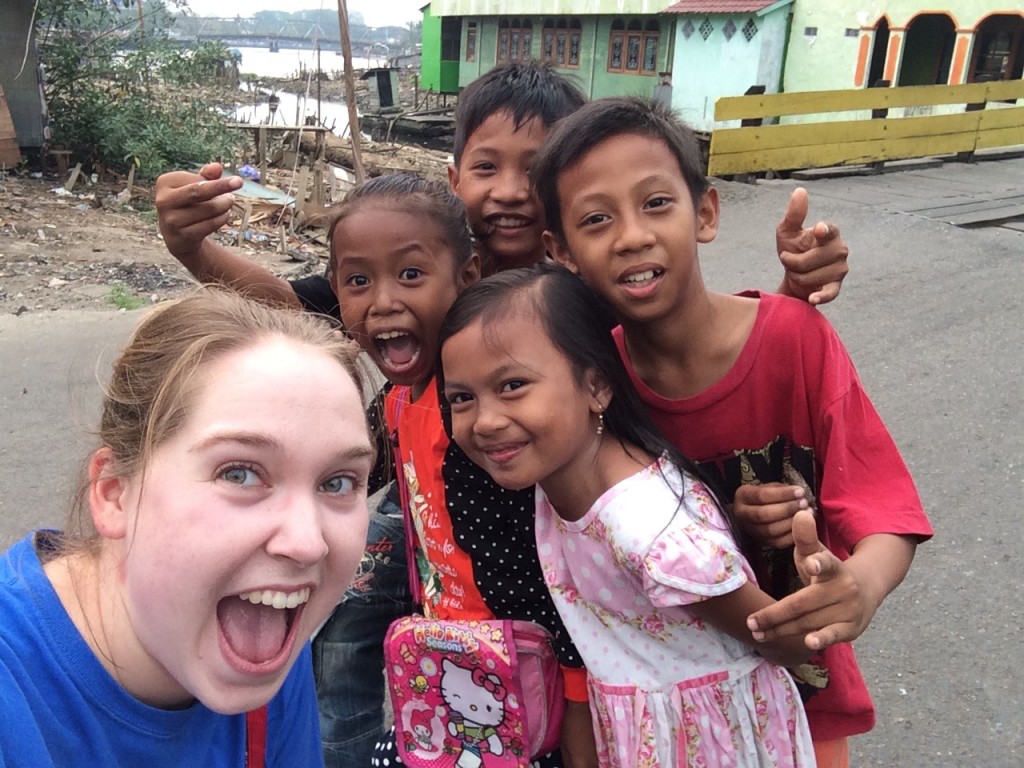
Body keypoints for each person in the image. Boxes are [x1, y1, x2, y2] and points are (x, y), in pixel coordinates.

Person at [153, 62, 851, 767]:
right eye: (489, 166)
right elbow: (304, 304)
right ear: (457, 178)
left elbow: (681, 347)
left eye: (536, 168)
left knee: (553, 690)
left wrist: (790, 295)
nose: (512, 191)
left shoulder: (582, 288)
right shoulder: (423, 254)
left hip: (559, 547)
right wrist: (194, 248)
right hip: (420, 495)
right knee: (346, 626)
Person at [531, 96, 934, 768]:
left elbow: (883, 504)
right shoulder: (595, 385)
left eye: (656, 203)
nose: (632, 235)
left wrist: (861, 585)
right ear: (562, 251)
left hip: (807, 697)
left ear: (706, 213)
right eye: (596, 219)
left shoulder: (796, 340)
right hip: (678, 723)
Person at [437, 263, 818, 766]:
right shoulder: (557, 476)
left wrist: (823, 596)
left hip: (710, 743)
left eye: (512, 386)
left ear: (596, 386)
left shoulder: (645, 530)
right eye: (462, 398)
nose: (485, 421)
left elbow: (782, 641)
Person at [0, 288, 376, 766]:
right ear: (115, 493)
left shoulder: (264, 631)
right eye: (239, 473)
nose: (306, 544)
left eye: (338, 482)